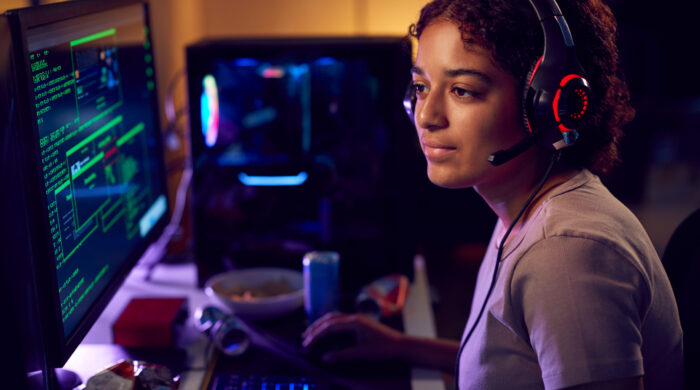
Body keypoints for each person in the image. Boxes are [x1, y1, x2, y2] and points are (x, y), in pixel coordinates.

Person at [302, 0, 684, 389]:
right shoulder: (526, 210)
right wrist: (398, 345)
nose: (426, 116)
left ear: (548, 105)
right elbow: (520, 365)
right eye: (421, 87)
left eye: (463, 90)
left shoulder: (567, 253)